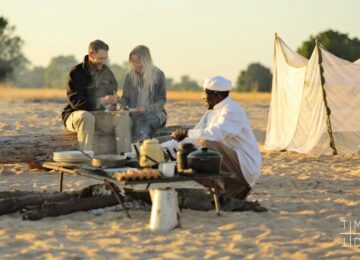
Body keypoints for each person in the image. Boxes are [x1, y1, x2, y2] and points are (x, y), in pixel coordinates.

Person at [163, 76, 262, 203]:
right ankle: (227, 192)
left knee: (207, 142)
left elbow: (215, 134)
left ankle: (222, 192)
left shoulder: (232, 110)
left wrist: (187, 132)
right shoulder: (211, 113)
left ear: (216, 95)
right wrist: (163, 148)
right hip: (231, 164)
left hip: (245, 167)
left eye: (205, 93)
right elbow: (191, 138)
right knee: (185, 159)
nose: (202, 97)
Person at [61, 39, 131, 153]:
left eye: (105, 58)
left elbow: (112, 93)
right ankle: (86, 159)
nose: (103, 62)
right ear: (91, 55)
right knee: (86, 116)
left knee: (123, 117)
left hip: (99, 116)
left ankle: (124, 156)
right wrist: (100, 101)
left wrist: (114, 103)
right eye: (100, 58)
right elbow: (76, 103)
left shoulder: (107, 72)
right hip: (76, 116)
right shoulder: (76, 73)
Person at [119, 45, 167, 142]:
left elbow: (162, 100)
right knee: (124, 121)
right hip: (134, 115)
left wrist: (146, 109)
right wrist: (119, 105)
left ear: (146, 61)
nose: (135, 65)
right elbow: (125, 97)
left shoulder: (158, 74)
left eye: (138, 62)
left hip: (156, 115)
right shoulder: (129, 75)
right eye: (133, 62)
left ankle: (138, 147)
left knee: (143, 121)